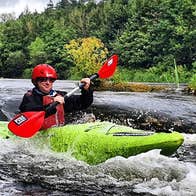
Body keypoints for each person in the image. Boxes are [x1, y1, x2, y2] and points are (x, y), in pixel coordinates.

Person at [19, 64, 93, 130]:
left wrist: (86, 90)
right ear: (36, 81)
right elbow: (31, 117)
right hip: (38, 133)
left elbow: (83, 103)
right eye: (43, 79)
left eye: (51, 80)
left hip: (56, 132)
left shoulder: (60, 95)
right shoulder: (29, 97)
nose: (48, 83)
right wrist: (52, 104)